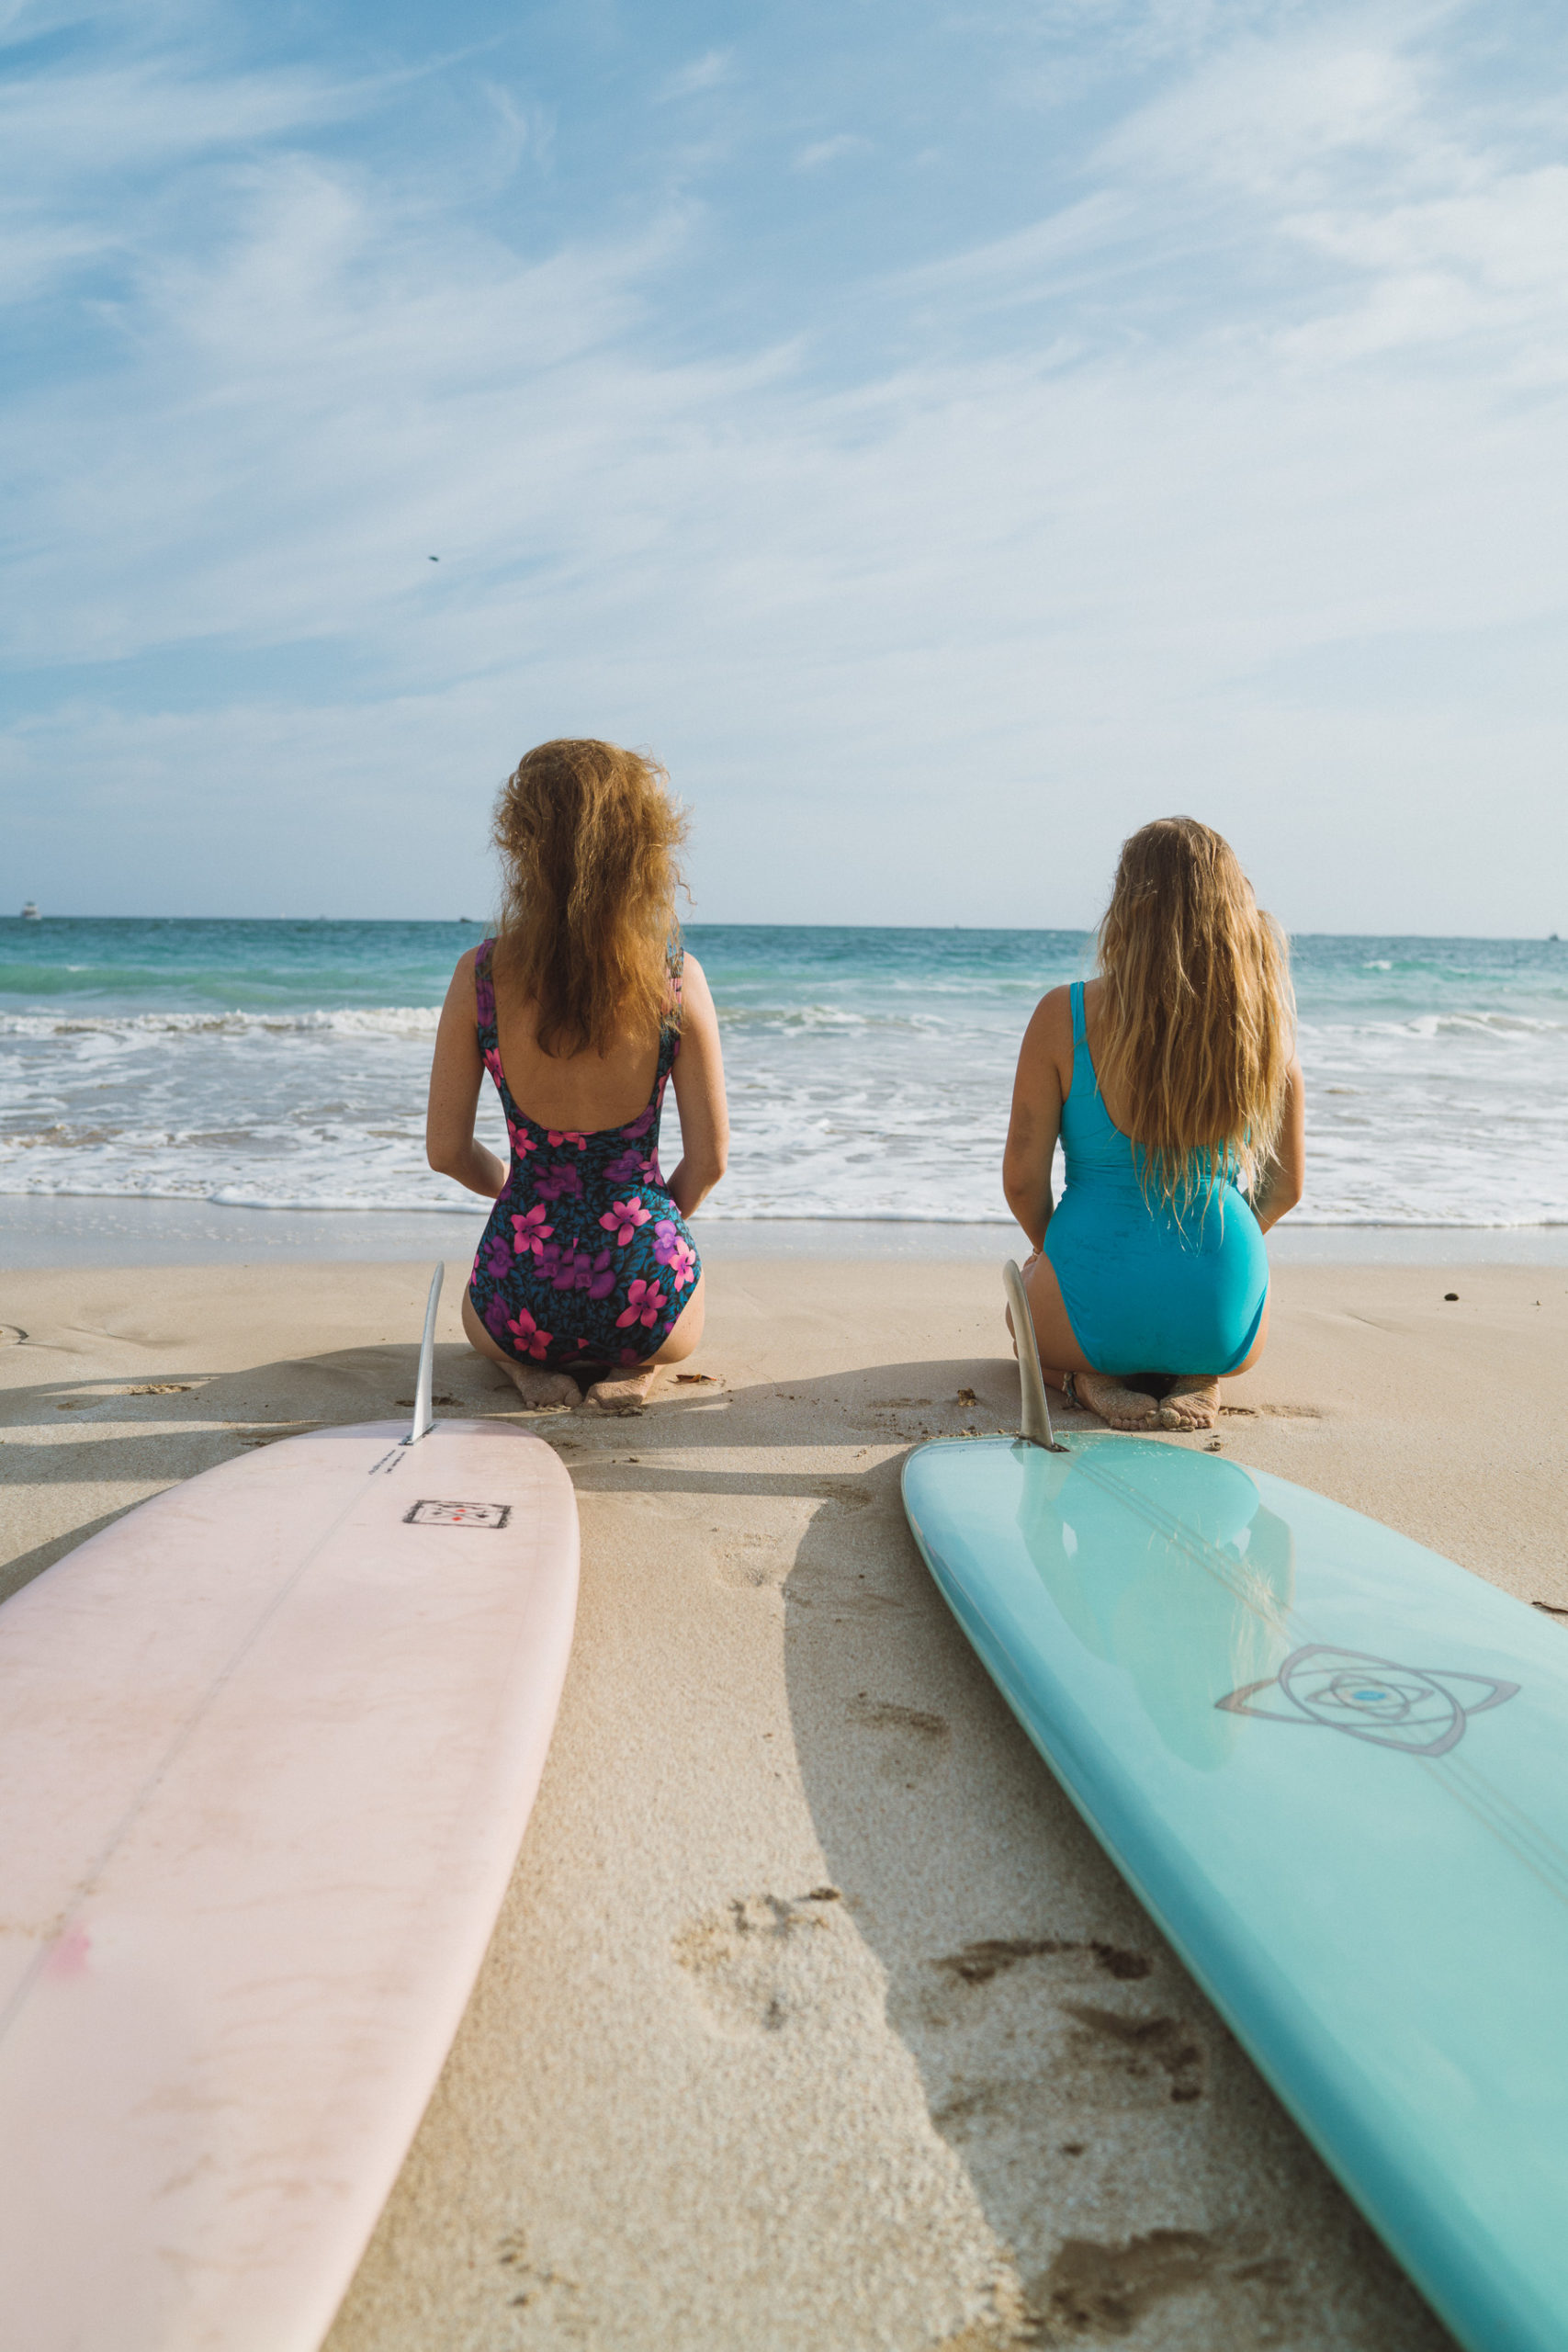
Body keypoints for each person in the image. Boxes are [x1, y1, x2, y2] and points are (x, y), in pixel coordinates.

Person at [426, 739, 728, 1414]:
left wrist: (519, 1194)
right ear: (644, 848)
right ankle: (635, 1364)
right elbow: (709, 1162)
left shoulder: (480, 975)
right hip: (645, 1294)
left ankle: (525, 1371)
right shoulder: (676, 978)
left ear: (521, 845)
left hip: (520, 1294)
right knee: (677, 1312)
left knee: (485, 1330)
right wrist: (642, 1230)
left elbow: (446, 1152)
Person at [1002, 816, 1304, 1432]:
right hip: (1222, 1319)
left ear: (1125, 907)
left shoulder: (1065, 1014)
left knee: (1018, 1312)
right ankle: (1195, 1375)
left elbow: (1021, 1182)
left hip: (1089, 1304)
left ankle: (1083, 1377)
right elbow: (1284, 1188)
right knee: (1198, 1320)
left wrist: (1054, 1255)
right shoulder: (1264, 1026)